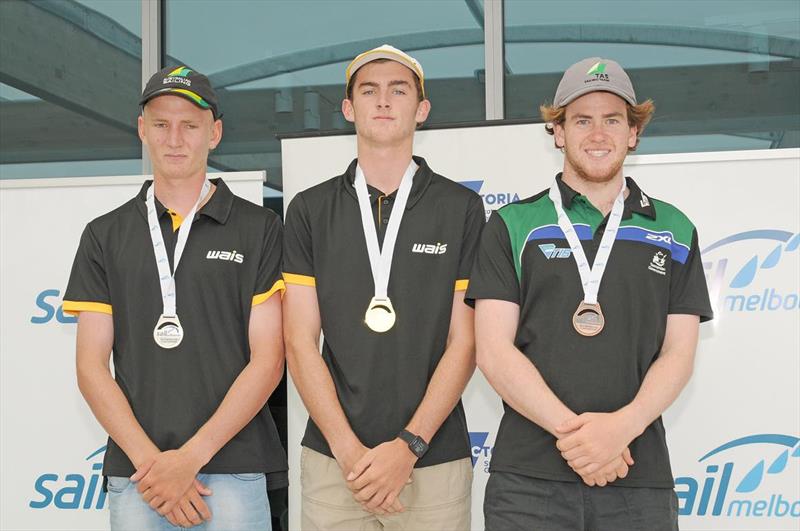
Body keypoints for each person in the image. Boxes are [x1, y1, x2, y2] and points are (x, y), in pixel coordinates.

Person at [467, 57, 713, 530]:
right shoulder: (512, 224)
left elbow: (678, 353)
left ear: (633, 133)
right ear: (557, 132)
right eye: (581, 120)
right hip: (528, 482)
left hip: (637, 478)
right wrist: (579, 439)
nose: (597, 134)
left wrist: (619, 428)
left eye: (612, 120)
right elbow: (493, 351)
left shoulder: (675, 227)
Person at [63, 65, 287, 530]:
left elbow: (268, 360)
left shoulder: (260, 227)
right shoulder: (105, 235)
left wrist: (190, 459)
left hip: (233, 467)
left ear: (215, 133)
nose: (175, 139)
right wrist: (155, 465)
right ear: (142, 130)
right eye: (161, 124)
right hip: (139, 473)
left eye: (190, 125)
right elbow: (90, 367)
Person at [282, 45, 485, 530]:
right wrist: (348, 449)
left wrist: (409, 445)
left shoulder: (461, 209)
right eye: (369, 91)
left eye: (399, 90)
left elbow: (467, 340)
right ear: (349, 109)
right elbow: (298, 340)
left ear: (422, 109)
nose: (384, 102)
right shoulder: (309, 210)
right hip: (335, 462)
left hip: (433, 458)